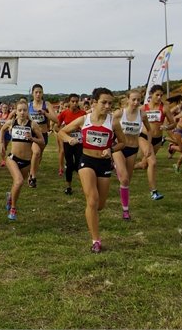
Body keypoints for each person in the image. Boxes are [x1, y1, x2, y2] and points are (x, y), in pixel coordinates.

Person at [58, 88, 128, 253]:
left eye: (110, 103)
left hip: (103, 164)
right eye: (104, 102)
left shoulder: (113, 122)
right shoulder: (84, 119)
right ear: (95, 103)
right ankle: (96, 240)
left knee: (100, 205)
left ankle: (91, 215)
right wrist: (70, 139)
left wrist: (111, 149)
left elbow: (122, 143)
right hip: (86, 161)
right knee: (92, 199)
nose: (107, 106)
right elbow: (61, 131)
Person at [0, 100, 46, 221]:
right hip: (13, 158)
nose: (22, 112)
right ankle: (13, 208)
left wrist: (32, 138)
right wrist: (1, 144)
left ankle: (10, 197)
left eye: (25, 110)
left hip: (27, 161)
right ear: (16, 111)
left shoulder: (32, 125)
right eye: (20, 110)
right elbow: (2, 130)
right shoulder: (11, 122)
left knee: (18, 185)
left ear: (27, 111)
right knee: (18, 181)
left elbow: (42, 141)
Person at [111, 89, 148, 220]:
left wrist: (147, 146)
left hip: (133, 149)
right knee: (125, 178)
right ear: (127, 99)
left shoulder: (142, 115)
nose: (136, 102)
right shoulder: (119, 113)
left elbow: (149, 130)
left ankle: (124, 206)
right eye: (133, 99)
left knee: (126, 182)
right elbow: (109, 128)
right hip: (119, 147)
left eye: (139, 100)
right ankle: (126, 210)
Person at [137, 85, 168, 200]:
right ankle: (154, 192)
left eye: (161, 95)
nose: (159, 97)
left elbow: (173, 123)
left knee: (144, 164)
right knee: (153, 162)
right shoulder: (143, 108)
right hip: (144, 137)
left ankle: (122, 168)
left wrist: (167, 126)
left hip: (157, 139)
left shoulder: (164, 108)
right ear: (151, 95)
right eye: (157, 95)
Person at [27, 84, 59, 188]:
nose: (38, 94)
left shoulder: (46, 104)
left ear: (42, 93)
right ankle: (32, 177)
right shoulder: (29, 105)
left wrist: (45, 113)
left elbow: (56, 120)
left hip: (43, 134)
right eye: (36, 92)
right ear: (32, 93)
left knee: (38, 156)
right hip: (31, 134)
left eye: (40, 92)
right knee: (35, 153)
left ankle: (31, 172)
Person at [56, 94, 87, 195]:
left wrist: (80, 129)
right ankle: (68, 186)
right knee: (69, 165)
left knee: (80, 164)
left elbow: (87, 127)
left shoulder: (83, 114)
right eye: (72, 101)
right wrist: (65, 133)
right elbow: (56, 127)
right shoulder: (64, 113)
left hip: (79, 142)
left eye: (76, 101)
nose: (75, 103)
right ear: (69, 102)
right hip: (68, 142)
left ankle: (84, 185)